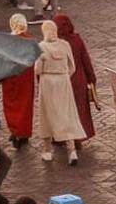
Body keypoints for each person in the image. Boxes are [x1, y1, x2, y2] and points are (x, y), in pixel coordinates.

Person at [34, 20, 86, 166]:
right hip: (63, 81)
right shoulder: (65, 45)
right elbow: (73, 67)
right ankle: (72, 151)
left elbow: (38, 70)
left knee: (46, 115)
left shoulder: (41, 47)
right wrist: (63, 77)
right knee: (66, 114)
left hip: (47, 82)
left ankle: (47, 150)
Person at [53, 14, 97, 145]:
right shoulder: (77, 40)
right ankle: (78, 138)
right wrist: (92, 79)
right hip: (78, 81)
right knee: (80, 110)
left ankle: (62, 138)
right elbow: (86, 61)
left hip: (61, 82)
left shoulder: (54, 44)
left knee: (61, 111)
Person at [0, 13, 34, 147]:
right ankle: (24, 133)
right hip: (26, 80)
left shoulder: (7, 42)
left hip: (11, 79)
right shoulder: (30, 41)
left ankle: (15, 131)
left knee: (11, 106)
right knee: (26, 107)